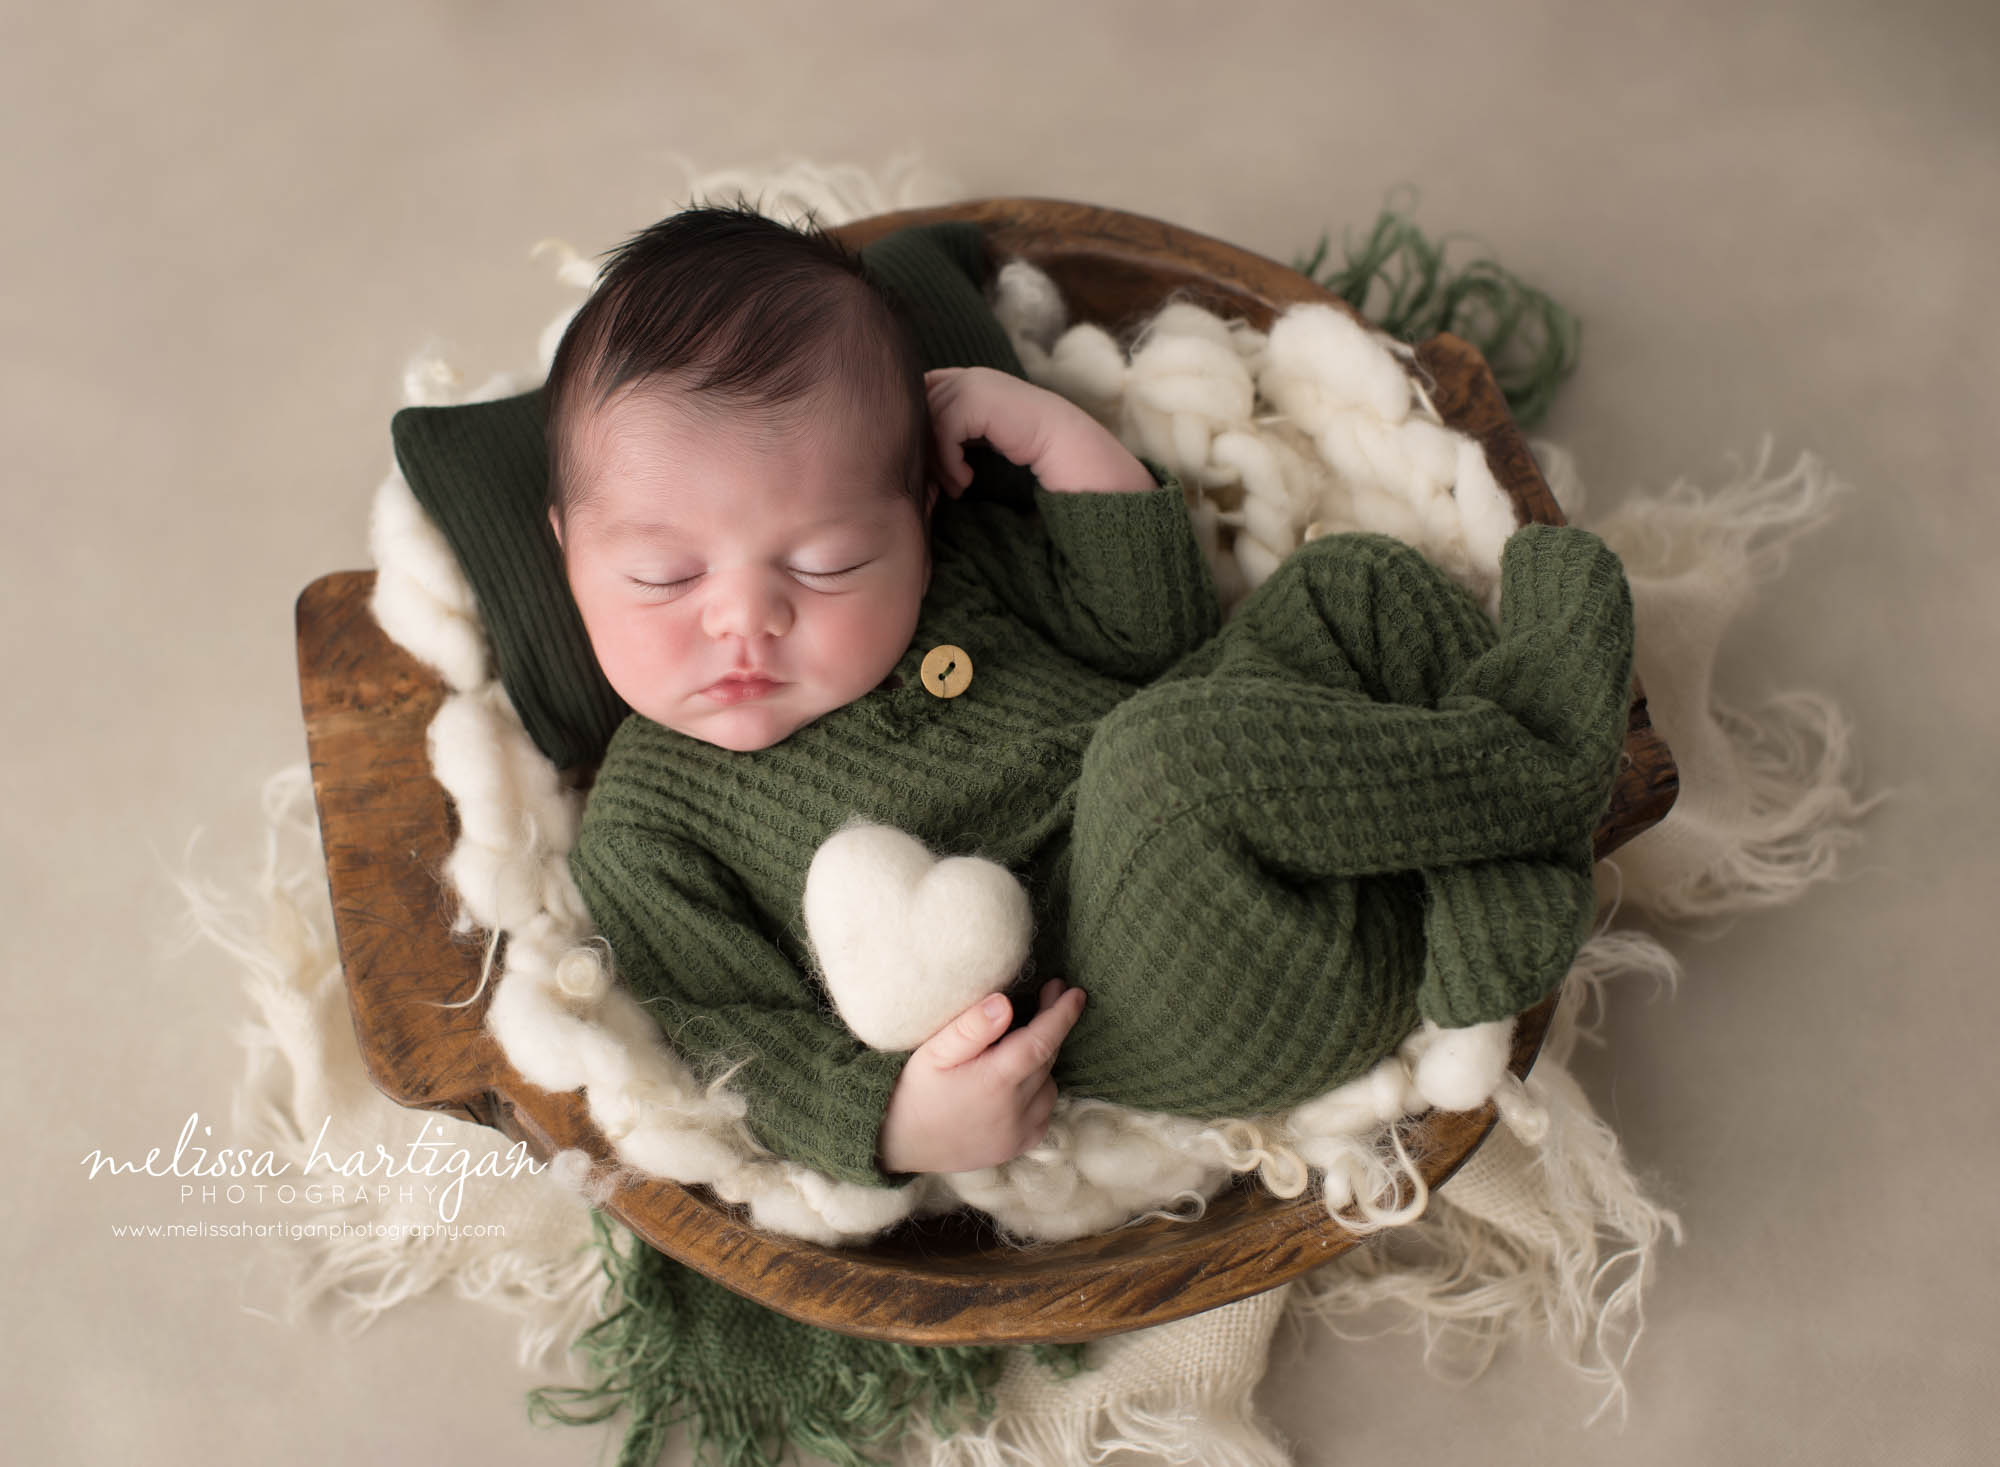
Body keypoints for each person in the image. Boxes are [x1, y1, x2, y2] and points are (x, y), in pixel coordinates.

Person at [548, 206, 1635, 1185]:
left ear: (920, 510)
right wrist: (896, 1122)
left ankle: (1484, 894)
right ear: (567, 552)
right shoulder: (646, 824)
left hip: (1287, 810)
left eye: (826, 562)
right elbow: (730, 1034)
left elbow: (1154, 639)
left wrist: (1048, 435)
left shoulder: (958, 571)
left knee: (1352, 587)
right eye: (663, 578)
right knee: (1160, 767)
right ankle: (1547, 761)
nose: (743, 619)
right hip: (1159, 991)